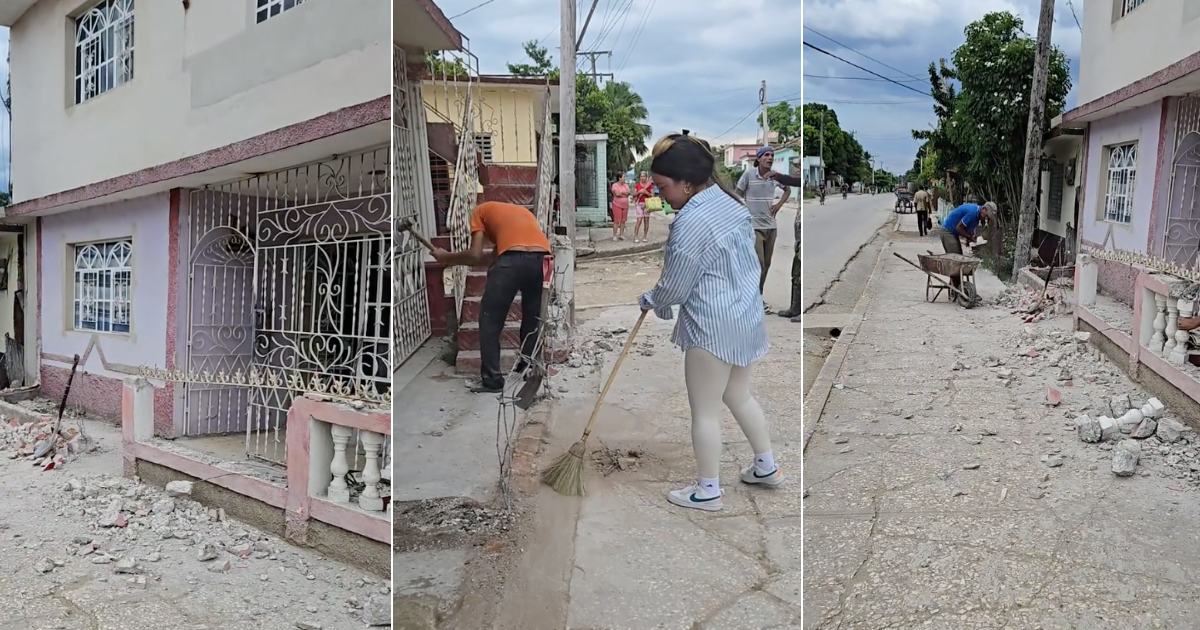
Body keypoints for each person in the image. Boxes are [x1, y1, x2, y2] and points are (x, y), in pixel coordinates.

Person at [639, 131, 782, 512]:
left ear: (686, 182)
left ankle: (708, 491)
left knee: (704, 412)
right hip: (745, 317)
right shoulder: (730, 204)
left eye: (663, 187)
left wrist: (652, 300)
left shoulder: (690, 222)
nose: (662, 196)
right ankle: (766, 466)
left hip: (712, 326)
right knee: (739, 395)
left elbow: (675, 286)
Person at [431, 202, 550, 394]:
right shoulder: (519, 214)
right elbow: (494, 257)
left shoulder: (478, 211)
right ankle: (527, 367)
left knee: (490, 321)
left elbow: (475, 255)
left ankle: (493, 380)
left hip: (511, 260)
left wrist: (447, 257)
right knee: (532, 317)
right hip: (542, 259)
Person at [735, 146, 790, 312]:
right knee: (758, 263)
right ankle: (753, 298)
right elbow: (737, 194)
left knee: (766, 264)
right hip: (754, 226)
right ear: (758, 159)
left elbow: (787, 190)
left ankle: (757, 295)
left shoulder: (775, 176)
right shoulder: (748, 175)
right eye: (766, 155)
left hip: (771, 226)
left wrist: (778, 205)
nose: (770, 158)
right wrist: (742, 212)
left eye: (772, 155)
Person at [766, 171, 803, 322]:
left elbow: (794, 181)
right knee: (796, 268)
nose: (798, 168)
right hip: (799, 229)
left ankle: (800, 311)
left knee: (800, 268)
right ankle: (795, 308)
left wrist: (779, 177)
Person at [632, 171, 654, 243]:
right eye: (641, 176)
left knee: (646, 220)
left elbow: (652, 195)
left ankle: (645, 236)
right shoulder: (637, 185)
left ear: (646, 177)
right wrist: (639, 192)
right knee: (639, 219)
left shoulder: (649, 185)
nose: (642, 178)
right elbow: (634, 195)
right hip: (639, 204)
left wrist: (646, 193)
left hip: (647, 204)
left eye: (644, 176)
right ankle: (635, 236)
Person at [610, 176, 631, 241]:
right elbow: (617, 194)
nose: (624, 178)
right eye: (623, 177)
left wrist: (621, 193)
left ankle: (621, 235)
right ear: (619, 178)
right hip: (617, 204)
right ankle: (614, 235)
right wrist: (624, 194)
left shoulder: (626, 185)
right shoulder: (615, 185)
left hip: (625, 205)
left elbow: (628, 193)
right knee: (616, 221)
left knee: (623, 220)